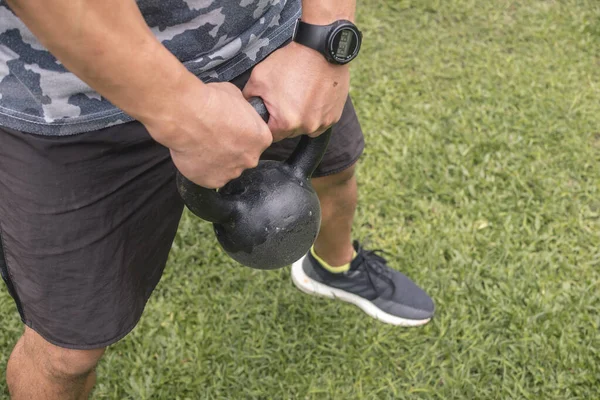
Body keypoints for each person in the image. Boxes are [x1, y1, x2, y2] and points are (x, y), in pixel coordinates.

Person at [0, 0, 434, 398]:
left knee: (335, 175)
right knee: (66, 354)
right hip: (64, 101)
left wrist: (325, 38)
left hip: (269, 44)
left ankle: (333, 267)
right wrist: (181, 113)